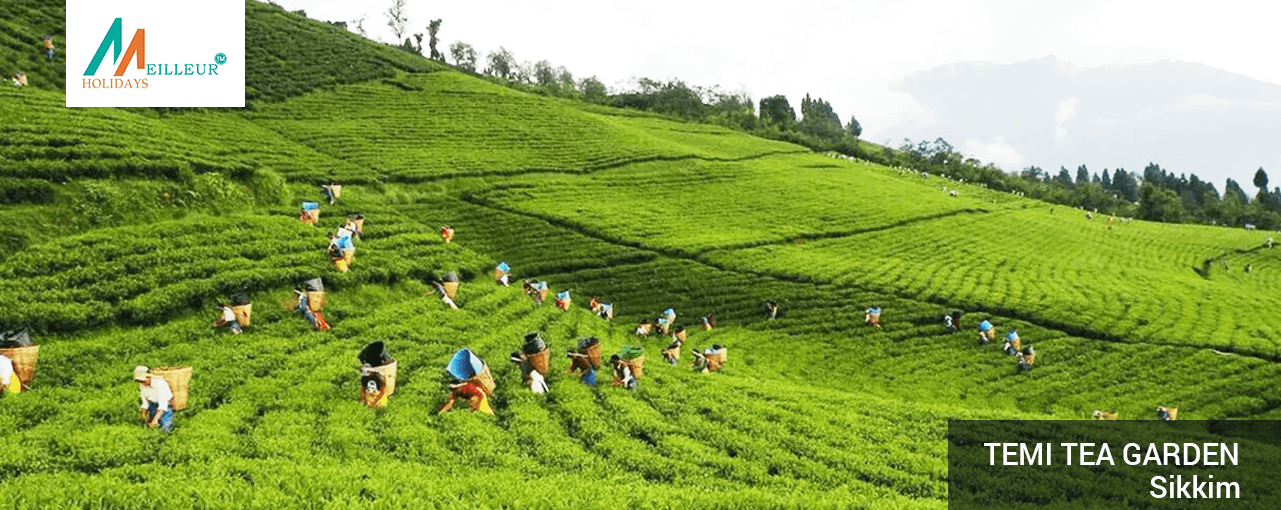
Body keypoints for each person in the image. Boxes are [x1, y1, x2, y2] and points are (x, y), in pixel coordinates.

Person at [134, 366, 174, 433]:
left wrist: (155, 420)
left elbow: (163, 405)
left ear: (149, 377)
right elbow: (145, 402)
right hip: (153, 405)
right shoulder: (142, 385)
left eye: (143, 381)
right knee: (148, 427)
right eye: (140, 381)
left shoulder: (160, 384)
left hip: (165, 407)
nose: (142, 383)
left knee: (165, 429)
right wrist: (143, 414)